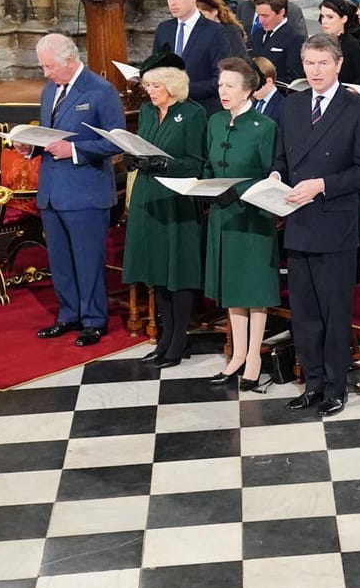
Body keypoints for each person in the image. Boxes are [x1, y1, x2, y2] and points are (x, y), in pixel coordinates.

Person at [272, 33, 360, 417]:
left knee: (335, 313)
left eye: (322, 63)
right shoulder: (293, 106)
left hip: (335, 225)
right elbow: (282, 157)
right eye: (309, 63)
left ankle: (336, 387)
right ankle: (312, 382)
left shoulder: (358, 110)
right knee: (304, 313)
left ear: (338, 65)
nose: (314, 71)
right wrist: (274, 175)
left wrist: (322, 186)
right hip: (298, 223)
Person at [31, 34, 125, 345]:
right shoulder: (49, 91)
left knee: (88, 261)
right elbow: (49, 136)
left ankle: (94, 320)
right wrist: (30, 147)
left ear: (69, 60)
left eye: (49, 66)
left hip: (85, 191)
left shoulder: (101, 91)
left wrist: (73, 151)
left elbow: (115, 140)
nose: (45, 73)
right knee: (60, 261)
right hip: (52, 191)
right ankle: (68, 314)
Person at [120, 58, 208, 368]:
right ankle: (165, 339)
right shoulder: (146, 112)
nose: (150, 92)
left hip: (177, 198)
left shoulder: (193, 114)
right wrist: (133, 159)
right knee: (157, 270)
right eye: (147, 86)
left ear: (172, 86)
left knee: (178, 271)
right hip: (147, 196)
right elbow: (142, 145)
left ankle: (178, 339)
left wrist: (164, 164)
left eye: (156, 86)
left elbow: (198, 163)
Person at [202, 58, 279, 391]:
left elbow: (269, 174)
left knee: (253, 289)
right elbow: (208, 164)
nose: (223, 91)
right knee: (233, 288)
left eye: (230, 85)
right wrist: (205, 186)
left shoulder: (265, 126)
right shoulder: (216, 122)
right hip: (222, 215)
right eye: (220, 85)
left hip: (252, 216)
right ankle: (236, 355)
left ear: (248, 89)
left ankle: (254, 358)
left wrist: (237, 191)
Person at [153, 0, 235, 111]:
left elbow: (221, 79)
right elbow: (156, 67)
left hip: (202, 110)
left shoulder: (214, 31)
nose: (172, 2)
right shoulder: (164, 29)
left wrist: (183, 90)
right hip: (168, 110)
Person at [247, 0, 307, 85]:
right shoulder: (257, 34)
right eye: (259, 15)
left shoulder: (295, 38)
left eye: (265, 16)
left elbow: (295, 77)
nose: (260, 20)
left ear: (281, 12)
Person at [316, 0, 360, 85]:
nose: (324, 21)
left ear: (344, 19)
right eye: (322, 17)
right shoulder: (316, 44)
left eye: (330, 17)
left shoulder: (355, 47)